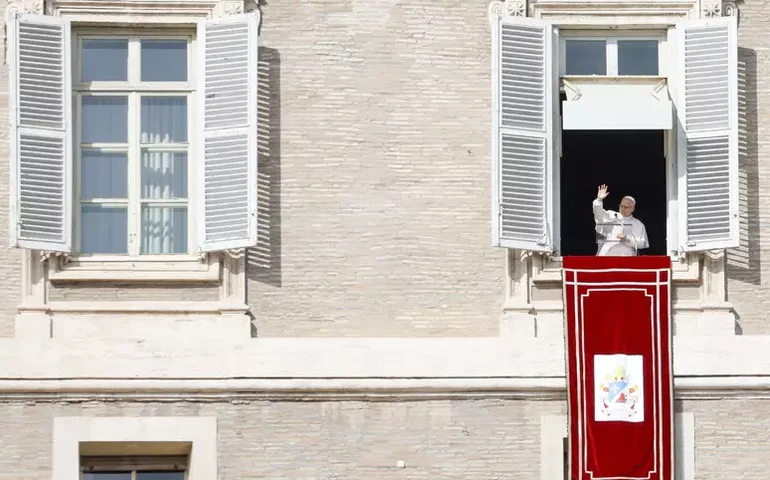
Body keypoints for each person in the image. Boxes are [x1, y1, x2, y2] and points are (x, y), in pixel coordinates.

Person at [593, 184, 648, 256]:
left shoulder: (638, 224)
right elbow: (598, 215)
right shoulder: (612, 215)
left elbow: (642, 243)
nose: (622, 209)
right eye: (621, 206)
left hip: (627, 258)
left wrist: (627, 239)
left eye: (626, 207)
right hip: (607, 256)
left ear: (632, 209)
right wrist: (599, 200)